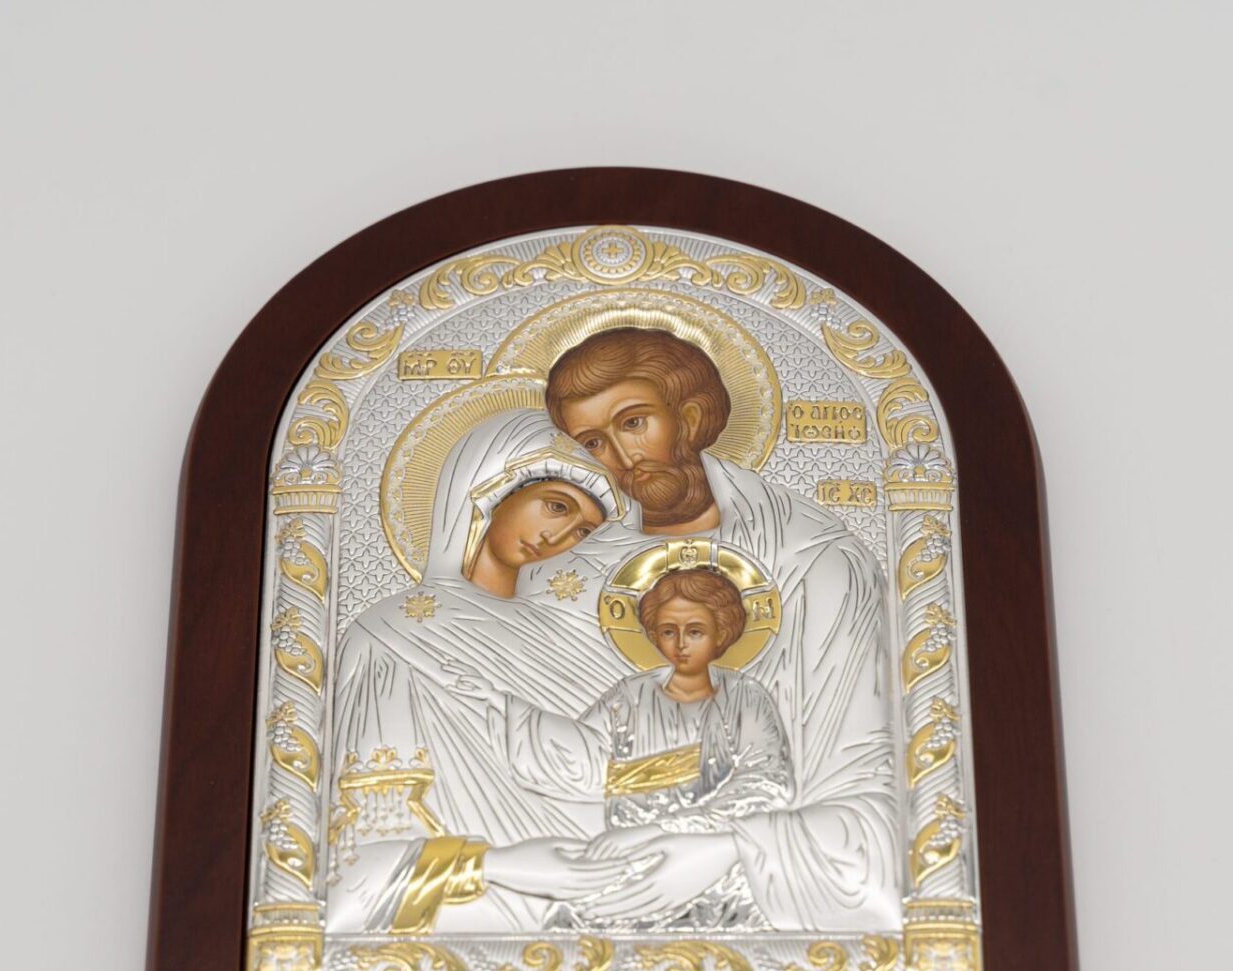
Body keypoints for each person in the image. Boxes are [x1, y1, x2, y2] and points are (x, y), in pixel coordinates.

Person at [544, 327, 903, 931]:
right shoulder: (570, 574)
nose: (623, 457)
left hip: (757, 871)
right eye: (595, 442)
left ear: (688, 417)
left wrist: (723, 847)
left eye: (634, 422)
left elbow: (858, 782)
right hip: (615, 859)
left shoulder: (815, 561)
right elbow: (565, 763)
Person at [323, 408, 646, 935]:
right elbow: (361, 850)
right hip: (473, 906)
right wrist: (500, 865)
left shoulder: (572, 639)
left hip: (610, 894)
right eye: (556, 506)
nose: (559, 537)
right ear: (491, 489)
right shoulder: (391, 635)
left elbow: (619, 768)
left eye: (582, 530)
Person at [450, 567, 795, 931]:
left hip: (712, 856)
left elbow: (765, 783)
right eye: (668, 631)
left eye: (695, 631)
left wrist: (660, 829)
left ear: (721, 633)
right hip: (624, 853)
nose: (680, 644)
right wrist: (501, 702)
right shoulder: (631, 694)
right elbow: (586, 755)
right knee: (571, 922)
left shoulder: (744, 698)